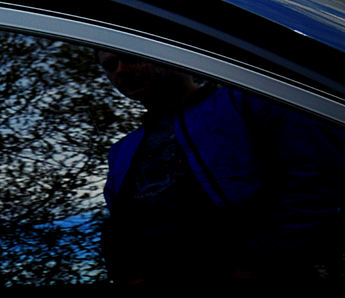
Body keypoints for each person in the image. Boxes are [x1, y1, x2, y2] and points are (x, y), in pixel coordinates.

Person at [97, 50, 345, 291]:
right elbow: (119, 226)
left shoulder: (246, 102)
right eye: (110, 65)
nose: (121, 70)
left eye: (131, 57)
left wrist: (258, 264)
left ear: (171, 53)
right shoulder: (121, 151)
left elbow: (316, 177)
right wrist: (131, 276)